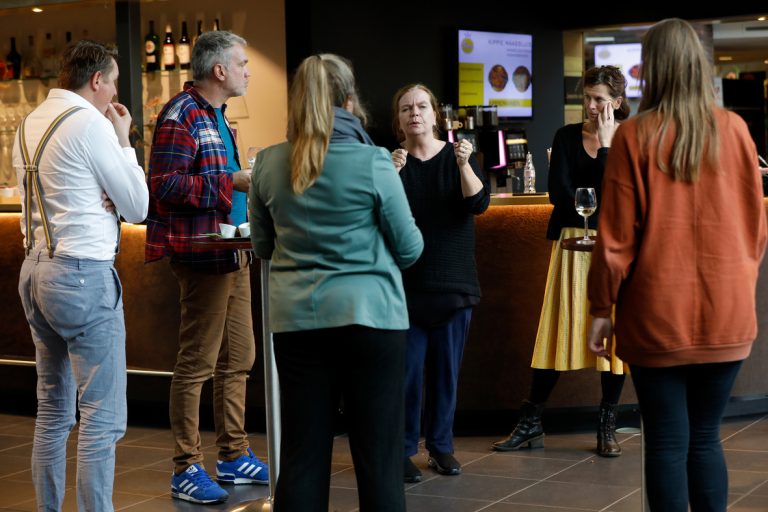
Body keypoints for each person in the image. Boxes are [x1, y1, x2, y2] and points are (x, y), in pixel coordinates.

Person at [587, 18, 767, 511]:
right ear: (700, 65)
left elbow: (616, 239)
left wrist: (601, 307)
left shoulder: (634, 136)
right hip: (728, 316)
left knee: (667, 442)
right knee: (706, 438)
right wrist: (736, 286)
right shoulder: (735, 130)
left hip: (656, 317)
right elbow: (757, 230)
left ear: (651, 69)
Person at [249, 54, 423, 512]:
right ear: (349, 101)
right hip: (372, 321)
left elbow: (263, 247)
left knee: (303, 456)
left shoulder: (267, 164)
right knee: (380, 458)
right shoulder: (373, 162)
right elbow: (409, 249)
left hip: (297, 324)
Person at [12, 40, 149, 511]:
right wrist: (125, 140)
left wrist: (99, 193)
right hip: (82, 275)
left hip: (35, 270)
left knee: (52, 410)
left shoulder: (30, 122)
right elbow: (137, 206)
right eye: (113, 81)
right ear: (97, 81)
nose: (115, 91)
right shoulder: (91, 124)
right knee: (101, 416)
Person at [144, 30, 267, 505]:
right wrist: (229, 181)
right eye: (242, 63)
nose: (247, 71)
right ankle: (185, 466)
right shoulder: (181, 115)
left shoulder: (217, 115)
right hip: (201, 254)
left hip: (234, 251)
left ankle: (233, 456)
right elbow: (165, 185)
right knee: (196, 363)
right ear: (220, 70)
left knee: (240, 358)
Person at [492, 66, 629, 457]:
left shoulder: (630, 140)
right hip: (571, 245)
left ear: (616, 103)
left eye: (599, 99)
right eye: (587, 97)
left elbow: (622, 198)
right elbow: (559, 195)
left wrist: (605, 148)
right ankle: (530, 422)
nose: (590, 105)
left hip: (615, 246)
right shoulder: (565, 137)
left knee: (613, 338)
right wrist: (594, 206)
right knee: (557, 328)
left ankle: (607, 424)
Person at [390, 84, 490, 482]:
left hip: (454, 286)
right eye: (405, 108)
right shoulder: (390, 162)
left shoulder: (457, 155)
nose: (414, 113)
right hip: (406, 289)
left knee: (446, 375)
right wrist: (391, 175)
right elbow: (381, 216)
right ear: (398, 120)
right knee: (408, 376)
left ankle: (441, 448)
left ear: (435, 115)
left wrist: (465, 165)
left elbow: (477, 205)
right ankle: (401, 451)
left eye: (421, 106)